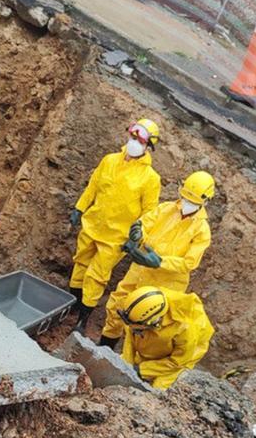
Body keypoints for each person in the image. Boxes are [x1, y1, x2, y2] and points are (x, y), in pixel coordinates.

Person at [99, 171, 214, 348]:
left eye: (193, 202)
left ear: (205, 202)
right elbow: (146, 223)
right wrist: (138, 232)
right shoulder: (166, 209)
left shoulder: (201, 230)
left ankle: (132, 360)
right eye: (185, 198)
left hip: (165, 285)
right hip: (140, 270)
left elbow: (189, 263)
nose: (187, 204)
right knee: (118, 305)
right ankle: (104, 347)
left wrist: (160, 262)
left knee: (146, 322)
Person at [69, 119, 162, 331]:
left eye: (140, 140)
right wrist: (79, 208)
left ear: (149, 146)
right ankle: (70, 305)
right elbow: (93, 187)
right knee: (80, 264)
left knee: (96, 276)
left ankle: (82, 320)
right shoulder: (109, 160)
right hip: (92, 224)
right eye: (133, 137)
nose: (134, 143)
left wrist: (135, 238)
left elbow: (149, 213)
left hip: (115, 237)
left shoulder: (150, 178)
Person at [114, 285, 214, 390]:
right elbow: (131, 337)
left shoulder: (185, 329)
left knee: (158, 388)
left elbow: (177, 362)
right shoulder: (141, 309)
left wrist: (141, 370)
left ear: (154, 322)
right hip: (155, 343)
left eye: (137, 327)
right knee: (121, 363)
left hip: (182, 358)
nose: (131, 327)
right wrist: (126, 365)